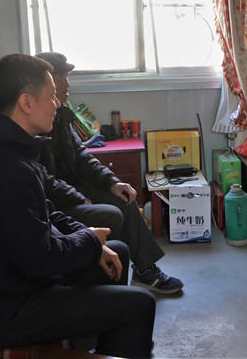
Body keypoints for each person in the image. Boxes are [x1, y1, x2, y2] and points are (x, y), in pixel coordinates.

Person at [0, 53, 155, 357]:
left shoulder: (12, 149)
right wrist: (88, 242)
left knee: (115, 252)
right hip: (1, 310)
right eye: (51, 95)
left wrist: (88, 237)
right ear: (26, 103)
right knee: (140, 305)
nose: (57, 104)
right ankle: (113, 330)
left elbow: (46, 210)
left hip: (18, 282)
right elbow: (38, 257)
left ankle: (102, 341)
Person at [35, 52, 184, 295]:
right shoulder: (36, 122)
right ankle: (109, 276)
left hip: (72, 192)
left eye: (67, 76)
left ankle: (145, 269)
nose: (67, 84)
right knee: (112, 213)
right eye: (61, 78)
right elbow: (42, 179)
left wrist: (113, 182)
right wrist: (76, 196)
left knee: (125, 197)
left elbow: (81, 157)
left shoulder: (62, 114)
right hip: (55, 202)